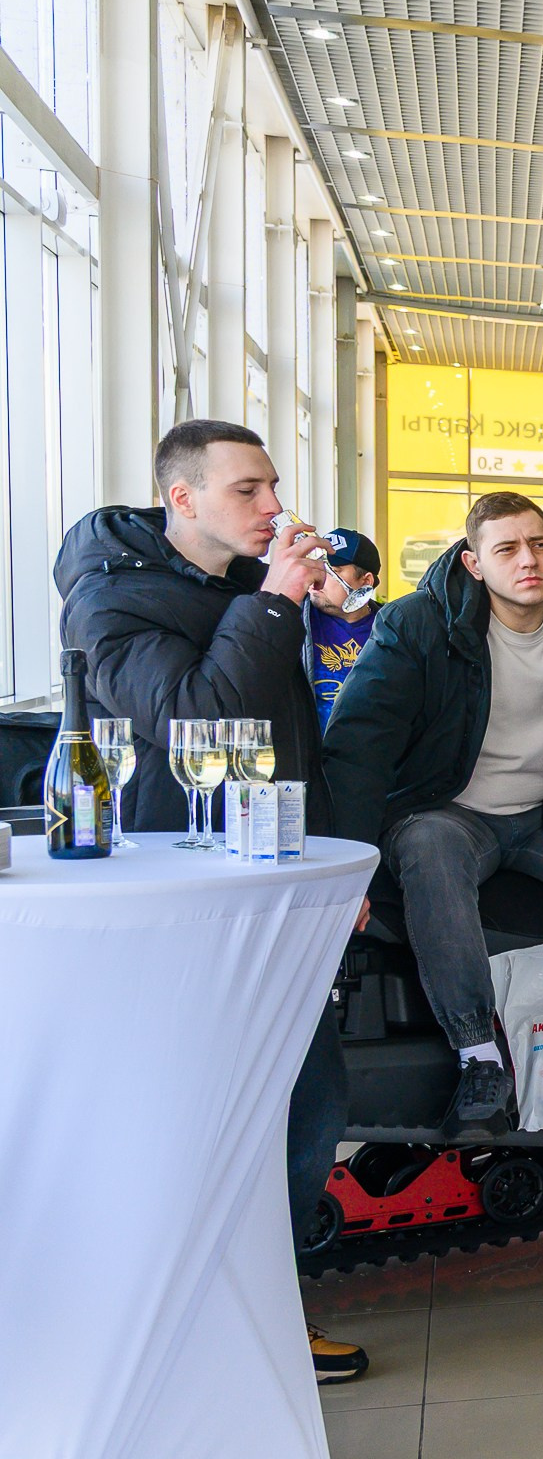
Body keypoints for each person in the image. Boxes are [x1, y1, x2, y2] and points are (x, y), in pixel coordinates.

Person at [55, 419, 364, 1384]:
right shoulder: (107, 601)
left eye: (273, 486)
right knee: (199, 1114)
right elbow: (197, 719)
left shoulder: (245, 580)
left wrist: (332, 864)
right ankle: (183, 1329)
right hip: (175, 893)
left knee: (311, 1099)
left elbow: (293, 737)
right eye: (247, 491)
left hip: (274, 872)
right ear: (181, 499)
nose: (273, 507)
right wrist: (273, 604)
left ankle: (266, 1310)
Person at [323, 490, 543, 1140]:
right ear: (473, 563)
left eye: (540, 544)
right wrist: (344, 870)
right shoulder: (419, 626)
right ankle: (478, 1058)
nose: (529, 560)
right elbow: (359, 745)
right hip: (450, 810)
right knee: (430, 849)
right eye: (508, 548)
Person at [307, 528, 382, 728]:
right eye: (317, 567)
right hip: (309, 755)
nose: (318, 580)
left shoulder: (392, 630)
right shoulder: (296, 618)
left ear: (365, 581)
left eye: (333, 572)